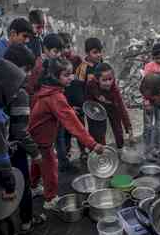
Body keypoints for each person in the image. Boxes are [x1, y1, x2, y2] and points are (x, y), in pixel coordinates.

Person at [28, 58, 104, 210]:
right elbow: (73, 124)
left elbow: (58, 110)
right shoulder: (55, 96)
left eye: (71, 74)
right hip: (43, 138)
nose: (71, 77)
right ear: (55, 76)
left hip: (34, 134)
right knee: (50, 166)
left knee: (38, 161)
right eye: (66, 75)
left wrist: (68, 109)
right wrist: (92, 144)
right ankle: (50, 199)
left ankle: (33, 186)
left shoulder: (46, 89)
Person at [3, 44, 45, 233]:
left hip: (1, 146)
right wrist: (35, 152)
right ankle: (27, 221)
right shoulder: (19, 93)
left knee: (4, 186)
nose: (28, 75)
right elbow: (21, 131)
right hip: (14, 147)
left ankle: (7, 221)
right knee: (22, 182)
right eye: (26, 70)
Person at [0, 59, 26, 235]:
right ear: (1, 87)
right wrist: (10, 185)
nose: (14, 96)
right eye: (12, 91)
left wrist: (4, 143)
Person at [86, 62, 134, 149]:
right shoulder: (91, 85)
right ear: (97, 79)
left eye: (110, 79)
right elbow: (87, 103)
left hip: (111, 105)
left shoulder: (114, 90)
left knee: (118, 128)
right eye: (104, 80)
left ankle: (120, 148)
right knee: (98, 132)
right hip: (96, 109)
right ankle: (101, 151)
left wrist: (129, 129)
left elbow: (122, 109)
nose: (108, 83)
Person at [57, 32, 84, 169]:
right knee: (64, 133)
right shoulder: (57, 63)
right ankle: (65, 159)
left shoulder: (77, 60)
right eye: (63, 48)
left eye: (68, 46)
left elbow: (80, 82)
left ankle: (83, 152)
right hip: (63, 103)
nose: (67, 50)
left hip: (76, 101)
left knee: (80, 127)